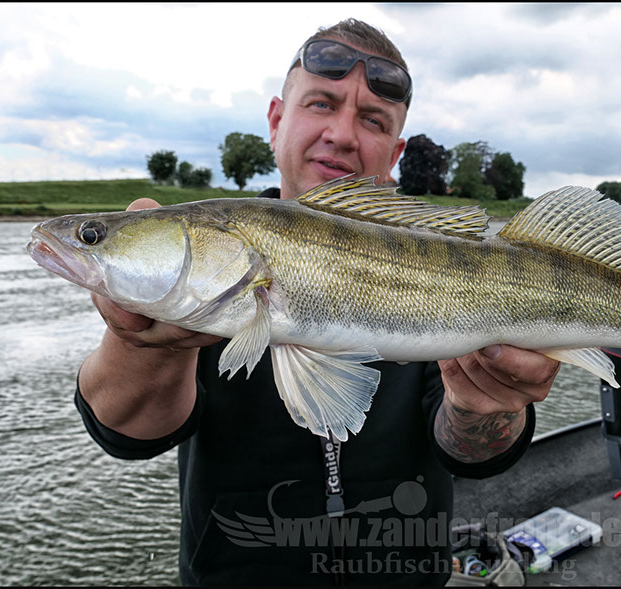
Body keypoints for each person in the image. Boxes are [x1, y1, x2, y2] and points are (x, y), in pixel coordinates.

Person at [75, 18, 560, 586]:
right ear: (277, 121)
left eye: (373, 119)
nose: (342, 134)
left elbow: (474, 454)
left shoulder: (447, 261)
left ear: (396, 151)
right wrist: (142, 343)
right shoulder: (214, 261)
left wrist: (489, 404)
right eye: (322, 104)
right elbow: (128, 433)